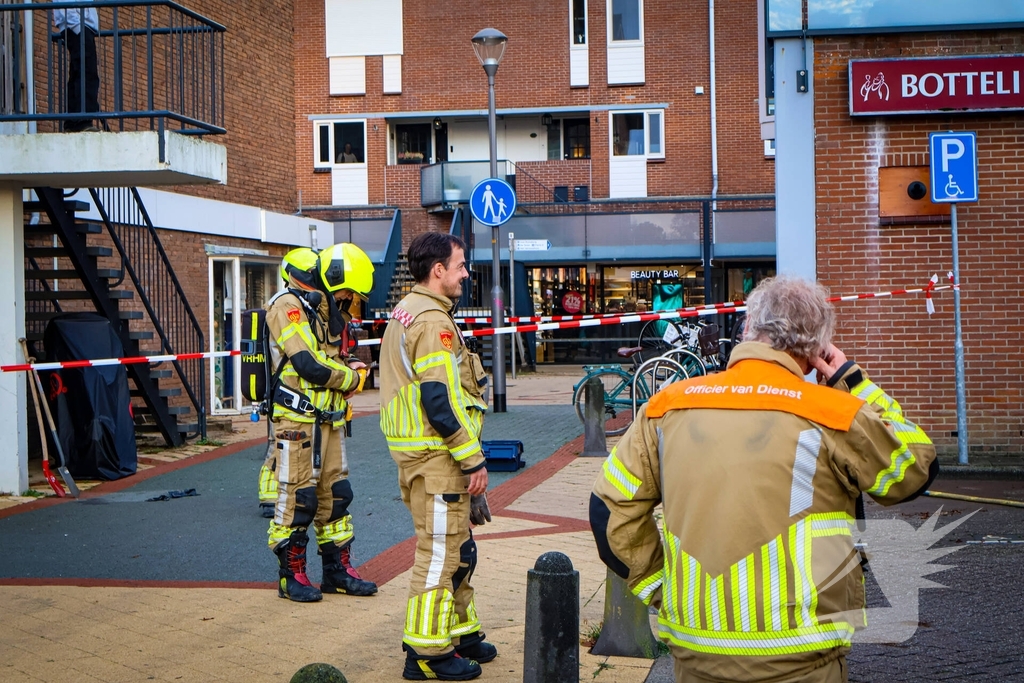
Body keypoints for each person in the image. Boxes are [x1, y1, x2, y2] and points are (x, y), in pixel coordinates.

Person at [591, 275, 938, 683]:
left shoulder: (667, 407)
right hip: (804, 657)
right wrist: (853, 381)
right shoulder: (835, 413)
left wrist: (663, 591)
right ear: (815, 350)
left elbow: (607, 510)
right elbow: (915, 470)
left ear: (748, 327)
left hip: (696, 653)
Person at [378, 232, 496, 681]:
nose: (466, 273)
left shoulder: (413, 312)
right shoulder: (432, 322)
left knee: (460, 550)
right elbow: (438, 400)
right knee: (440, 555)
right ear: (438, 271)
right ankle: (427, 653)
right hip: (438, 458)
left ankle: (462, 635)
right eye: (461, 265)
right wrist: (473, 461)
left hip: (427, 456)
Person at [264, 243, 379, 602]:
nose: (348, 299)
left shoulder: (323, 310)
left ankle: (337, 571)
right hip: (297, 422)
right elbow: (308, 365)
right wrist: (352, 378)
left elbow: (330, 360)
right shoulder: (287, 306)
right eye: (346, 291)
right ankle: (291, 575)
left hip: (329, 421)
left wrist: (348, 372)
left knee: (336, 497)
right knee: (299, 497)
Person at [53, 0, 100, 132]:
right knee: (87, 73)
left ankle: (73, 121)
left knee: (78, 72)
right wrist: (78, 27)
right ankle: (82, 120)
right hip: (78, 26)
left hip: (79, 26)